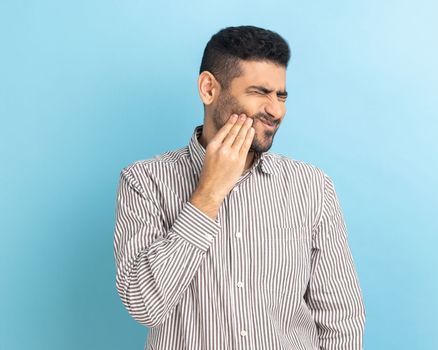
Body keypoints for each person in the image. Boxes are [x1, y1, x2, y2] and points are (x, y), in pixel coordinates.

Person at [113, 25, 366, 350]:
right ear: (208, 89)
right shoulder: (145, 182)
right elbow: (144, 304)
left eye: (281, 95)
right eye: (260, 92)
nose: (276, 110)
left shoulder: (312, 187)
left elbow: (340, 319)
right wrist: (208, 193)